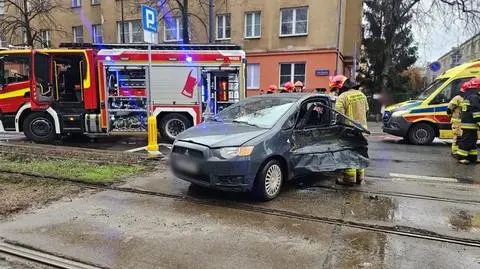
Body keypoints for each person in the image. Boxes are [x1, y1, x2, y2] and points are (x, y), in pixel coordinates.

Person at [329, 74, 369, 185]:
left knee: (349, 154)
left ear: (341, 86)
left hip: (349, 130)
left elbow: (338, 114)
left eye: (336, 89)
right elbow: (367, 111)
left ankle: (349, 178)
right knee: (359, 153)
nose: (337, 91)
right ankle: (360, 177)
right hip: (363, 129)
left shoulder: (343, 97)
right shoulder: (362, 95)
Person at [456, 78, 480, 164]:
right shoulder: (474, 97)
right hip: (470, 123)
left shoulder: (470, 96)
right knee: (466, 140)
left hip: (469, 122)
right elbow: (476, 111)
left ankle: (472, 157)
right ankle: (461, 157)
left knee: (473, 140)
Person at [447, 82, 468, 156]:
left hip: (464, 122)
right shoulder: (458, 98)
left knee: (463, 137)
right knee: (458, 136)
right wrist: (450, 115)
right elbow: (449, 108)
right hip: (457, 121)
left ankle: (460, 151)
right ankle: (454, 151)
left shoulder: (468, 98)